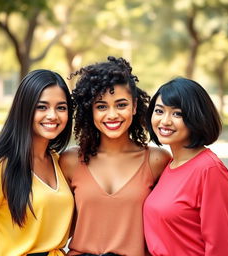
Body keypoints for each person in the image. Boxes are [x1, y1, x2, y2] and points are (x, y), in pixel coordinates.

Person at [59, 56, 171, 256]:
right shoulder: (70, 161)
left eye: (121, 105)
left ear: (134, 106)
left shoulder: (157, 160)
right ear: (90, 110)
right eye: (101, 106)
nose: (112, 115)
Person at [0, 69, 74, 256]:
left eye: (61, 107)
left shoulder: (59, 162)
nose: (53, 115)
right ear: (25, 109)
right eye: (42, 107)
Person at [143, 77, 228, 256]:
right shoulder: (169, 165)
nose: (165, 121)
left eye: (177, 114)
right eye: (159, 111)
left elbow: (222, 246)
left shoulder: (209, 170)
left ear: (196, 117)